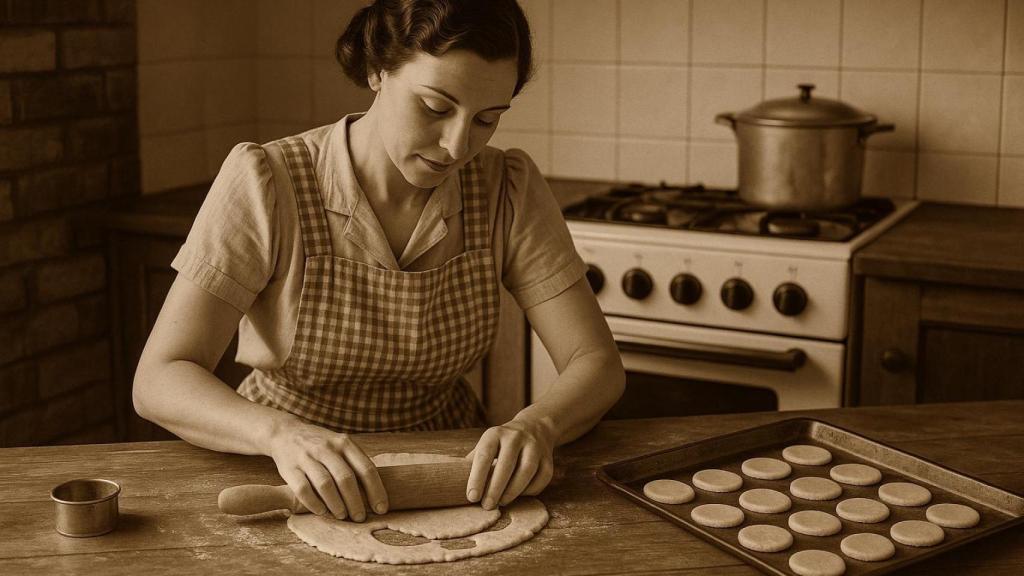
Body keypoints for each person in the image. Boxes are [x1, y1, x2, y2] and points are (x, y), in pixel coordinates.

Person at [133, 0, 624, 523]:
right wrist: (280, 434)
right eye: (435, 108)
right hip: (286, 467)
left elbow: (594, 360)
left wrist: (538, 426)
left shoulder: (507, 188)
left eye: (486, 119)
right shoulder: (269, 181)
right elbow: (160, 377)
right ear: (376, 71)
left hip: (446, 470)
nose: (458, 145)